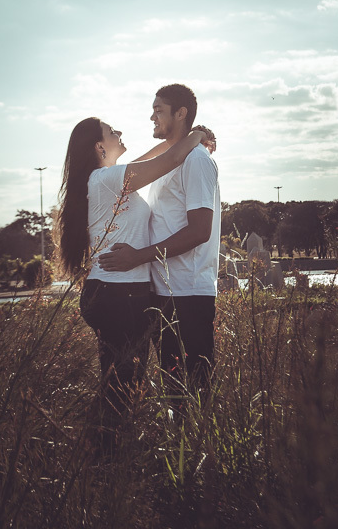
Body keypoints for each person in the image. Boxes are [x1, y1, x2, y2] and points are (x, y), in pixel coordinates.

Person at [54, 117, 207, 448]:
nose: (120, 133)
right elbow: (167, 162)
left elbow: (154, 158)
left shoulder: (102, 179)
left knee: (120, 381)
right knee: (122, 388)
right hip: (120, 297)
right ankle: (102, 459)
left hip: (111, 293)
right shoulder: (108, 180)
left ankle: (103, 456)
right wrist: (197, 134)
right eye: (112, 132)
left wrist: (183, 138)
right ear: (99, 147)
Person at [100, 83, 221, 412]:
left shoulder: (196, 161)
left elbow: (199, 231)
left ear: (180, 113)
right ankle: (178, 455)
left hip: (189, 295)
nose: (151, 116)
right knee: (173, 393)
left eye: (159, 110)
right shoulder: (172, 162)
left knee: (191, 396)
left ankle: (199, 459)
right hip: (165, 293)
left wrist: (137, 258)